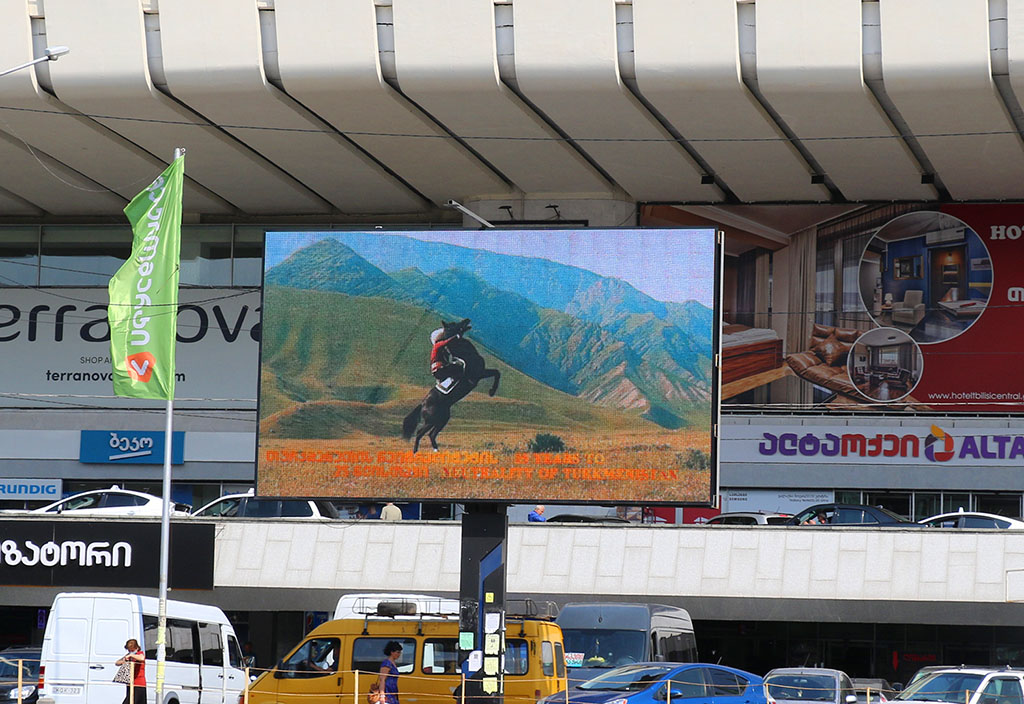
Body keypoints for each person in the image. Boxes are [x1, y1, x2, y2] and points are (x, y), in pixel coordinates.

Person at [116, 639, 146, 704]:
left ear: (136, 648)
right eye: (129, 650)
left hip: (139, 684)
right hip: (130, 683)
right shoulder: (128, 655)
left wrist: (131, 655)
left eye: (131, 650)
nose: (130, 652)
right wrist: (124, 660)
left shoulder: (139, 654)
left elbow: (142, 658)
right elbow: (117, 663)